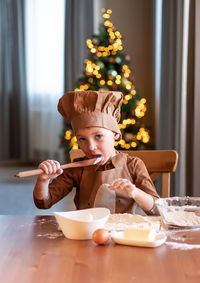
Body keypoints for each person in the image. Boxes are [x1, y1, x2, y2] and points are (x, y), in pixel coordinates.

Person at [33, 91, 159, 215]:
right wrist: (43, 180)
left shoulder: (133, 165)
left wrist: (135, 192)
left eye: (98, 136)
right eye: (82, 139)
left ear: (115, 134)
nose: (91, 147)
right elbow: (44, 203)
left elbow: (157, 210)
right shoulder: (77, 168)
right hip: (86, 232)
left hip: (122, 232)